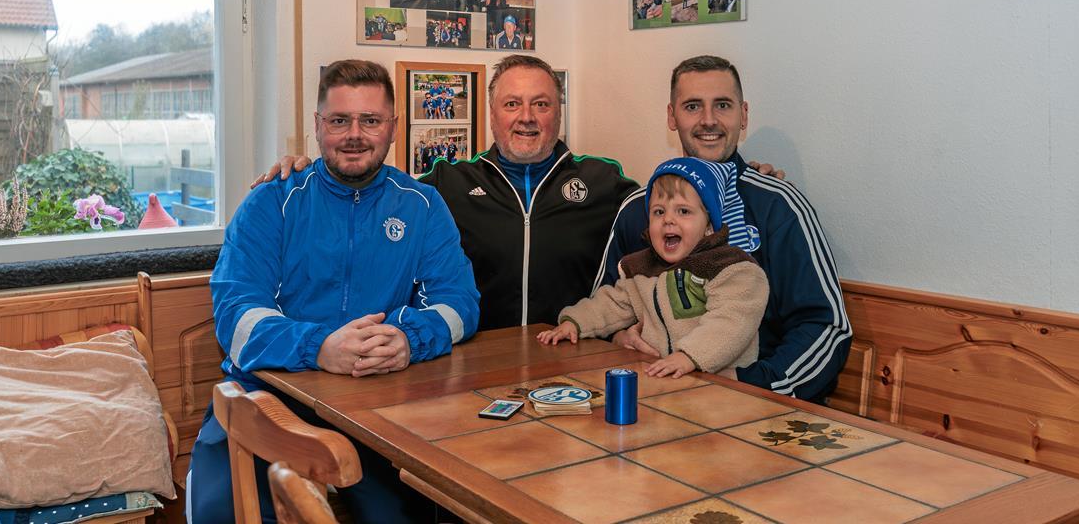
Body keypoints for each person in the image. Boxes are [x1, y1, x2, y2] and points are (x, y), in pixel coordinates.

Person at [189, 60, 480, 524]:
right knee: (219, 512)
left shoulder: (422, 205)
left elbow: (460, 305)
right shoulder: (271, 201)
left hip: (378, 407)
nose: (354, 135)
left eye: (371, 121)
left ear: (392, 128)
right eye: (339, 121)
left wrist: (408, 338)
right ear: (318, 126)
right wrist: (319, 347)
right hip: (263, 398)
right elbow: (236, 317)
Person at [257, 56, 641, 332]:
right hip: (472, 364)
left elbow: (673, 219)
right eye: (512, 104)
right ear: (492, 113)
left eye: (540, 104)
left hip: (574, 356)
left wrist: (638, 324)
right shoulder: (445, 183)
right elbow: (370, 185)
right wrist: (314, 171)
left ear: (558, 112)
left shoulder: (604, 180)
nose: (527, 116)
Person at [598, 55, 852, 402]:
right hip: (655, 398)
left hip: (757, 406)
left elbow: (827, 328)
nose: (708, 120)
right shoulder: (636, 211)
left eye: (722, 105)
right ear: (671, 117)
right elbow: (604, 307)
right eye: (692, 106)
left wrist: (753, 383)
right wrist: (616, 339)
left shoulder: (778, 206)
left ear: (743, 115)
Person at [539, 158, 768, 379]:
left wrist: (689, 357)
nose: (668, 219)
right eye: (659, 211)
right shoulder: (640, 269)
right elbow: (611, 303)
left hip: (723, 392)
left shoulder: (732, 268)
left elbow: (731, 322)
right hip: (662, 381)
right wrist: (575, 323)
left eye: (683, 211)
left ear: (709, 225)